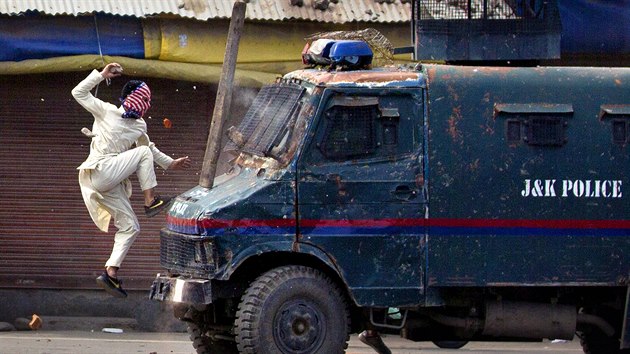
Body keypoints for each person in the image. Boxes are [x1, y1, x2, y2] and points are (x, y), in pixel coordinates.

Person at [72, 62, 191, 298]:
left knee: (131, 226)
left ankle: (110, 273)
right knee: (142, 155)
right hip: (98, 171)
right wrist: (102, 75)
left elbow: (148, 148)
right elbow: (78, 92)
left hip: (111, 181)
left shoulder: (139, 124)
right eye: (143, 98)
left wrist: (170, 163)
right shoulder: (106, 110)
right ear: (129, 98)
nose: (146, 104)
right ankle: (150, 201)